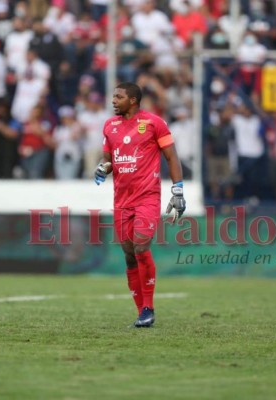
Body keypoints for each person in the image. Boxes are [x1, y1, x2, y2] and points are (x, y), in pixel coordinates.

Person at [94, 82, 186, 328]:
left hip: (147, 197)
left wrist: (178, 191)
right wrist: (103, 168)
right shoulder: (109, 126)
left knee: (141, 246)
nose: (113, 100)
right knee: (129, 255)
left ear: (133, 100)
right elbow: (109, 159)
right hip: (121, 200)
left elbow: (171, 156)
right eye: (113, 96)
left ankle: (149, 307)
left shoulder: (154, 123)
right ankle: (141, 312)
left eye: (118, 97)